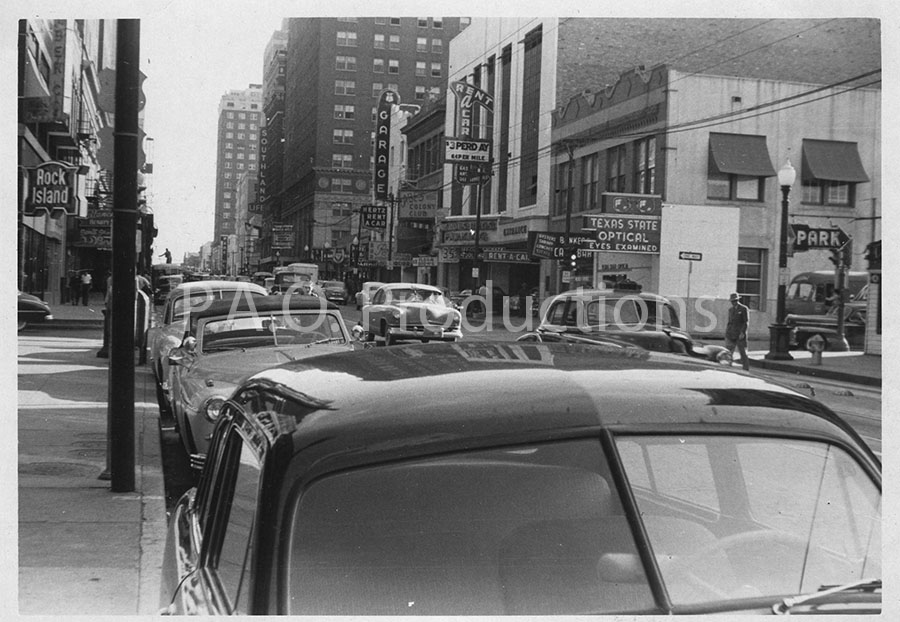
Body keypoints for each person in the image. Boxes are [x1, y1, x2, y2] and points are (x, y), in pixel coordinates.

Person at [725, 292, 750, 371]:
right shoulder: (730, 310)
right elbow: (729, 322)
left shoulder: (743, 308)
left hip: (740, 334)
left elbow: (746, 322)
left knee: (743, 352)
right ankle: (728, 367)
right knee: (729, 352)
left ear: (738, 300)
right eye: (732, 301)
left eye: (735, 300)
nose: (733, 302)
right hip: (731, 333)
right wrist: (727, 332)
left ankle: (746, 368)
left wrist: (743, 332)